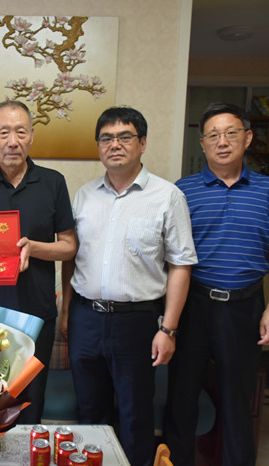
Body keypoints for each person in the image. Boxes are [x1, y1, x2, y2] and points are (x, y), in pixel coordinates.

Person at [60, 106, 197, 466]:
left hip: (137, 321)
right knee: (90, 411)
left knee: (135, 414)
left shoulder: (167, 196)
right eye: (106, 138)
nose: (115, 145)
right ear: (98, 146)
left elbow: (181, 265)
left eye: (125, 137)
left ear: (143, 143)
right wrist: (67, 312)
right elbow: (71, 258)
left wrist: (168, 329)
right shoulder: (84, 195)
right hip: (86, 318)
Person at [165, 102, 269, 466]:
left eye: (230, 133)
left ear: (247, 138)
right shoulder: (182, 191)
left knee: (238, 400)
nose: (222, 142)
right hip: (193, 305)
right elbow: (170, 255)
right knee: (181, 396)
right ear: (203, 143)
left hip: (244, 306)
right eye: (213, 135)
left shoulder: (268, 191)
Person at [0, 100, 77, 424]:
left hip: (37, 312)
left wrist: (33, 248)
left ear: (32, 136)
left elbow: (69, 246)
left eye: (21, 132)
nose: (13, 141)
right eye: (4, 132)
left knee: (30, 403)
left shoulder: (53, 182)